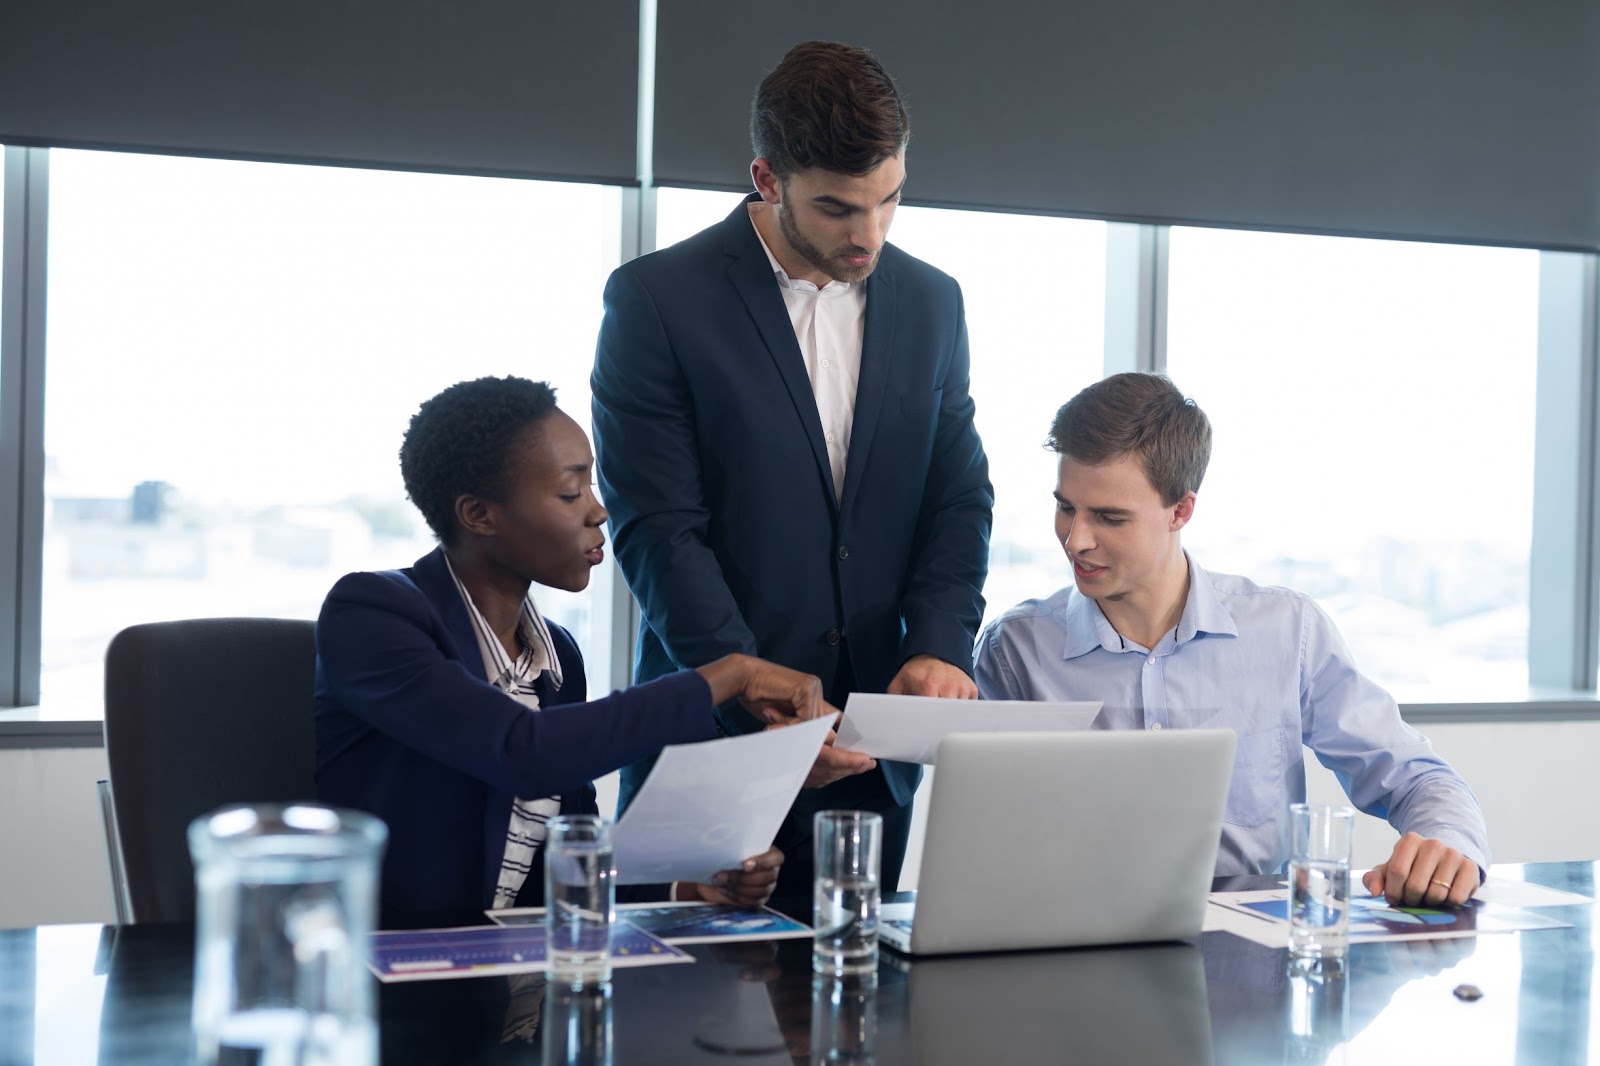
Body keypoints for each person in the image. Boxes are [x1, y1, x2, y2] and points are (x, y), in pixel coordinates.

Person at [592, 40, 993, 912]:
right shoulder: (656, 300)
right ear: (767, 179)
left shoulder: (935, 302)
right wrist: (756, 710)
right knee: (677, 1029)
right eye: (840, 208)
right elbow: (660, 531)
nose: (871, 234)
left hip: (871, 758)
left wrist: (936, 644)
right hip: (713, 746)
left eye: (890, 199)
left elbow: (957, 496)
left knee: (858, 1030)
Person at [315, 376, 833, 922]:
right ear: (478, 515)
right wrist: (726, 677)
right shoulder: (373, 613)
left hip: (505, 970)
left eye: (591, 487)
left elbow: (559, 861)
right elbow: (525, 752)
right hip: (388, 975)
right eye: (570, 493)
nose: (597, 512)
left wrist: (689, 887)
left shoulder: (555, 656)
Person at [975, 372, 1490, 906]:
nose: (1076, 539)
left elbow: (1415, 777)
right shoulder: (1015, 652)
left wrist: (1447, 845)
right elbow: (984, 843)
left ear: (1181, 511)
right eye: (1066, 508)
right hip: (1075, 946)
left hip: (1253, 961)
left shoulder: (1287, 631)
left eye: (1109, 517)